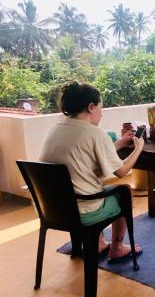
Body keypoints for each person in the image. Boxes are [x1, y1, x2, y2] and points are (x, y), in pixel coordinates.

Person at [40, 82, 145, 263]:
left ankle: (98, 244)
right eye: (100, 108)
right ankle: (117, 248)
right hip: (82, 210)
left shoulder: (54, 129)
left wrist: (119, 143)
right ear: (91, 107)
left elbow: (87, 153)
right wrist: (138, 148)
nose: (102, 113)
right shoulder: (95, 133)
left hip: (51, 208)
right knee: (123, 192)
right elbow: (121, 171)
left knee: (88, 186)